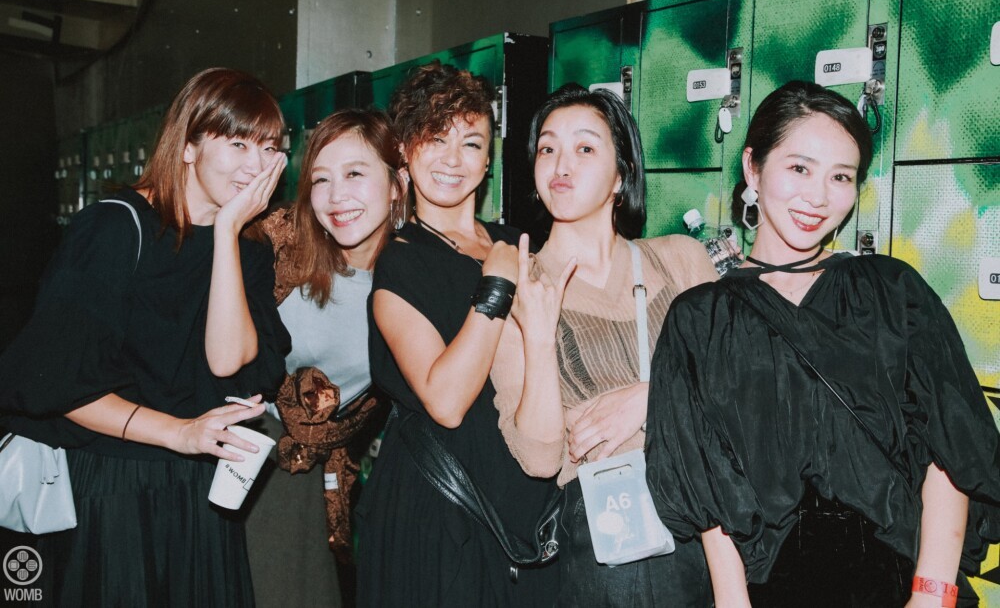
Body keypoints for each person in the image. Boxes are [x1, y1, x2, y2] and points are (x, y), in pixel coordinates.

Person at [645, 80, 1000, 608]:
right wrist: (732, 602)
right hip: (767, 588)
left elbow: (952, 448)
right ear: (752, 168)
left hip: (898, 581)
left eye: (841, 177)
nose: (818, 197)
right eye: (799, 168)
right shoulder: (700, 319)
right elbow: (708, 490)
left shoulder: (892, 293)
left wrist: (932, 595)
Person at [0, 68, 291, 606]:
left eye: (270, 147)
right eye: (238, 143)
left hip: (198, 491)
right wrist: (177, 433)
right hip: (112, 485)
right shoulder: (115, 228)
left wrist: (227, 232)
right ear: (188, 146)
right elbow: (58, 384)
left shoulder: (247, 248)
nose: (256, 165)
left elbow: (227, 361)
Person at [490, 83, 718, 606]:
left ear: (621, 176)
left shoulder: (681, 260)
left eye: (585, 148)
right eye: (547, 148)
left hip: (708, 521)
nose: (561, 164)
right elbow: (539, 456)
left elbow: (739, 383)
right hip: (607, 543)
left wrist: (649, 397)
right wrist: (539, 335)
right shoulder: (521, 284)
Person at [356, 61, 560, 607]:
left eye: (471, 144)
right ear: (405, 150)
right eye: (435, 138)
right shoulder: (400, 261)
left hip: (524, 498)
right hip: (443, 512)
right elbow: (446, 401)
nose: (453, 159)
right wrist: (496, 285)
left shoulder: (517, 240)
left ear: (489, 159)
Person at [245, 108, 405, 607]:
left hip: (316, 471)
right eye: (320, 179)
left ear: (397, 184)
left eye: (355, 174)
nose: (336, 197)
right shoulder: (280, 243)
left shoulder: (414, 276)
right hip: (246, 447)